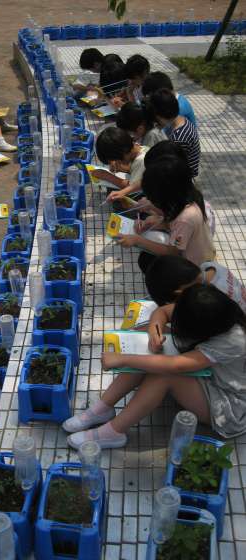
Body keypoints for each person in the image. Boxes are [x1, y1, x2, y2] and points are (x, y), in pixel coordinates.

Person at [64, 284, 246, 448]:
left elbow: (176, 366)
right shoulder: (208, 306)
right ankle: (103, 407)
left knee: (163, 375)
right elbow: (162, 312)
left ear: (202, 329)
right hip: (208, 373)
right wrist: (154, 333)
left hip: (228, 402)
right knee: (143, 339)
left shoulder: (233, 340)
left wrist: (123, 359)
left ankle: (113, 432)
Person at [116, 156, 215, 272]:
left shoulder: (185, 218)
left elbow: (173, 252)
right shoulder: (188, 199)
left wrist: (137, 240)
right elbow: (173, 223)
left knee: (147, 262)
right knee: (148, 249)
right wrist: (154, 223)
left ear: (165, 195)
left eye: (153, 198)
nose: (151, 201)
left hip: (194, 265)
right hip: (199, 252)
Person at [149, 88, 201, 177]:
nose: (156, 122)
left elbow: (173, 167)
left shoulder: (179, 137)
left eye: (156, 118)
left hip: (184, 175)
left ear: (160, 116)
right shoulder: (181, 119)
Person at [93, 127, 148, 197]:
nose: (116, 162)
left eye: (116, 159)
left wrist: (107, 176)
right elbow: (135, 170)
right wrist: (123, 168)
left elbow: (131, 188)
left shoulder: (141, 160)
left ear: (123, 151)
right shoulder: (138, 147)